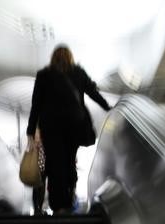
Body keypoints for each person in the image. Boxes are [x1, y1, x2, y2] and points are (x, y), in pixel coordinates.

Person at [26, 45, 111, 215]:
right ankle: (68, 199)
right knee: (69, 162)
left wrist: (31, 130)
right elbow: (93, 92)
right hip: (74, 126)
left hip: (50, 128)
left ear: (52, 58)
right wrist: (108, 107)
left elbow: (36, 104)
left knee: (53, 164)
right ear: (70, 58)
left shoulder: (44, 76)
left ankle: (57, 206)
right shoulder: (78, 73)